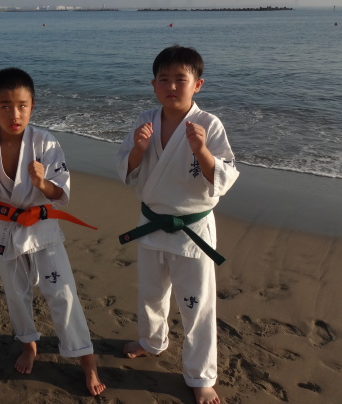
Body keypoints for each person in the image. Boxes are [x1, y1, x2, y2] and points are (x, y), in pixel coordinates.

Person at [0, 67, 106, 396]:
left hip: (43, 230)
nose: (14, 114)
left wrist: (42, 183)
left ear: (32, 106)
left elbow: (61, 192)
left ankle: (87, 359)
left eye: (22, 106)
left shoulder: (46, 142)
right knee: (17, 295)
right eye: (5, 106)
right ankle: (28, 345)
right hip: (6, 231)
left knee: (63, 294)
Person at [115, 45, 239, 404]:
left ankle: (201, 376)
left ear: (197, 84)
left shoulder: (209, 125)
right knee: (150, 293)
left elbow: (224, 179)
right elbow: (125, 170)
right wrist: (139, 149)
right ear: (153, 84)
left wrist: (202, 151)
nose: (171, 86)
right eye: (164, 79)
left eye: (180, 79)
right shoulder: (145, 120)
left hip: (192, 231)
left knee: (196, 305)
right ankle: (151, 340)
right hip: (151, 224)